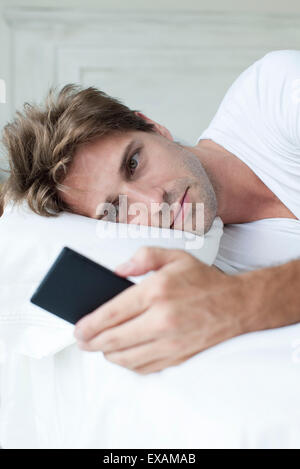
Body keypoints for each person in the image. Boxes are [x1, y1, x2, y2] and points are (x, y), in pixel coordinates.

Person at [1, 50, 300, 374]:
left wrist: (238, 301)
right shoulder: (200, 272)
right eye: (115, 210)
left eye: (133, 163)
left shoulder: (272, 93)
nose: (154, 202)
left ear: (153, 127)